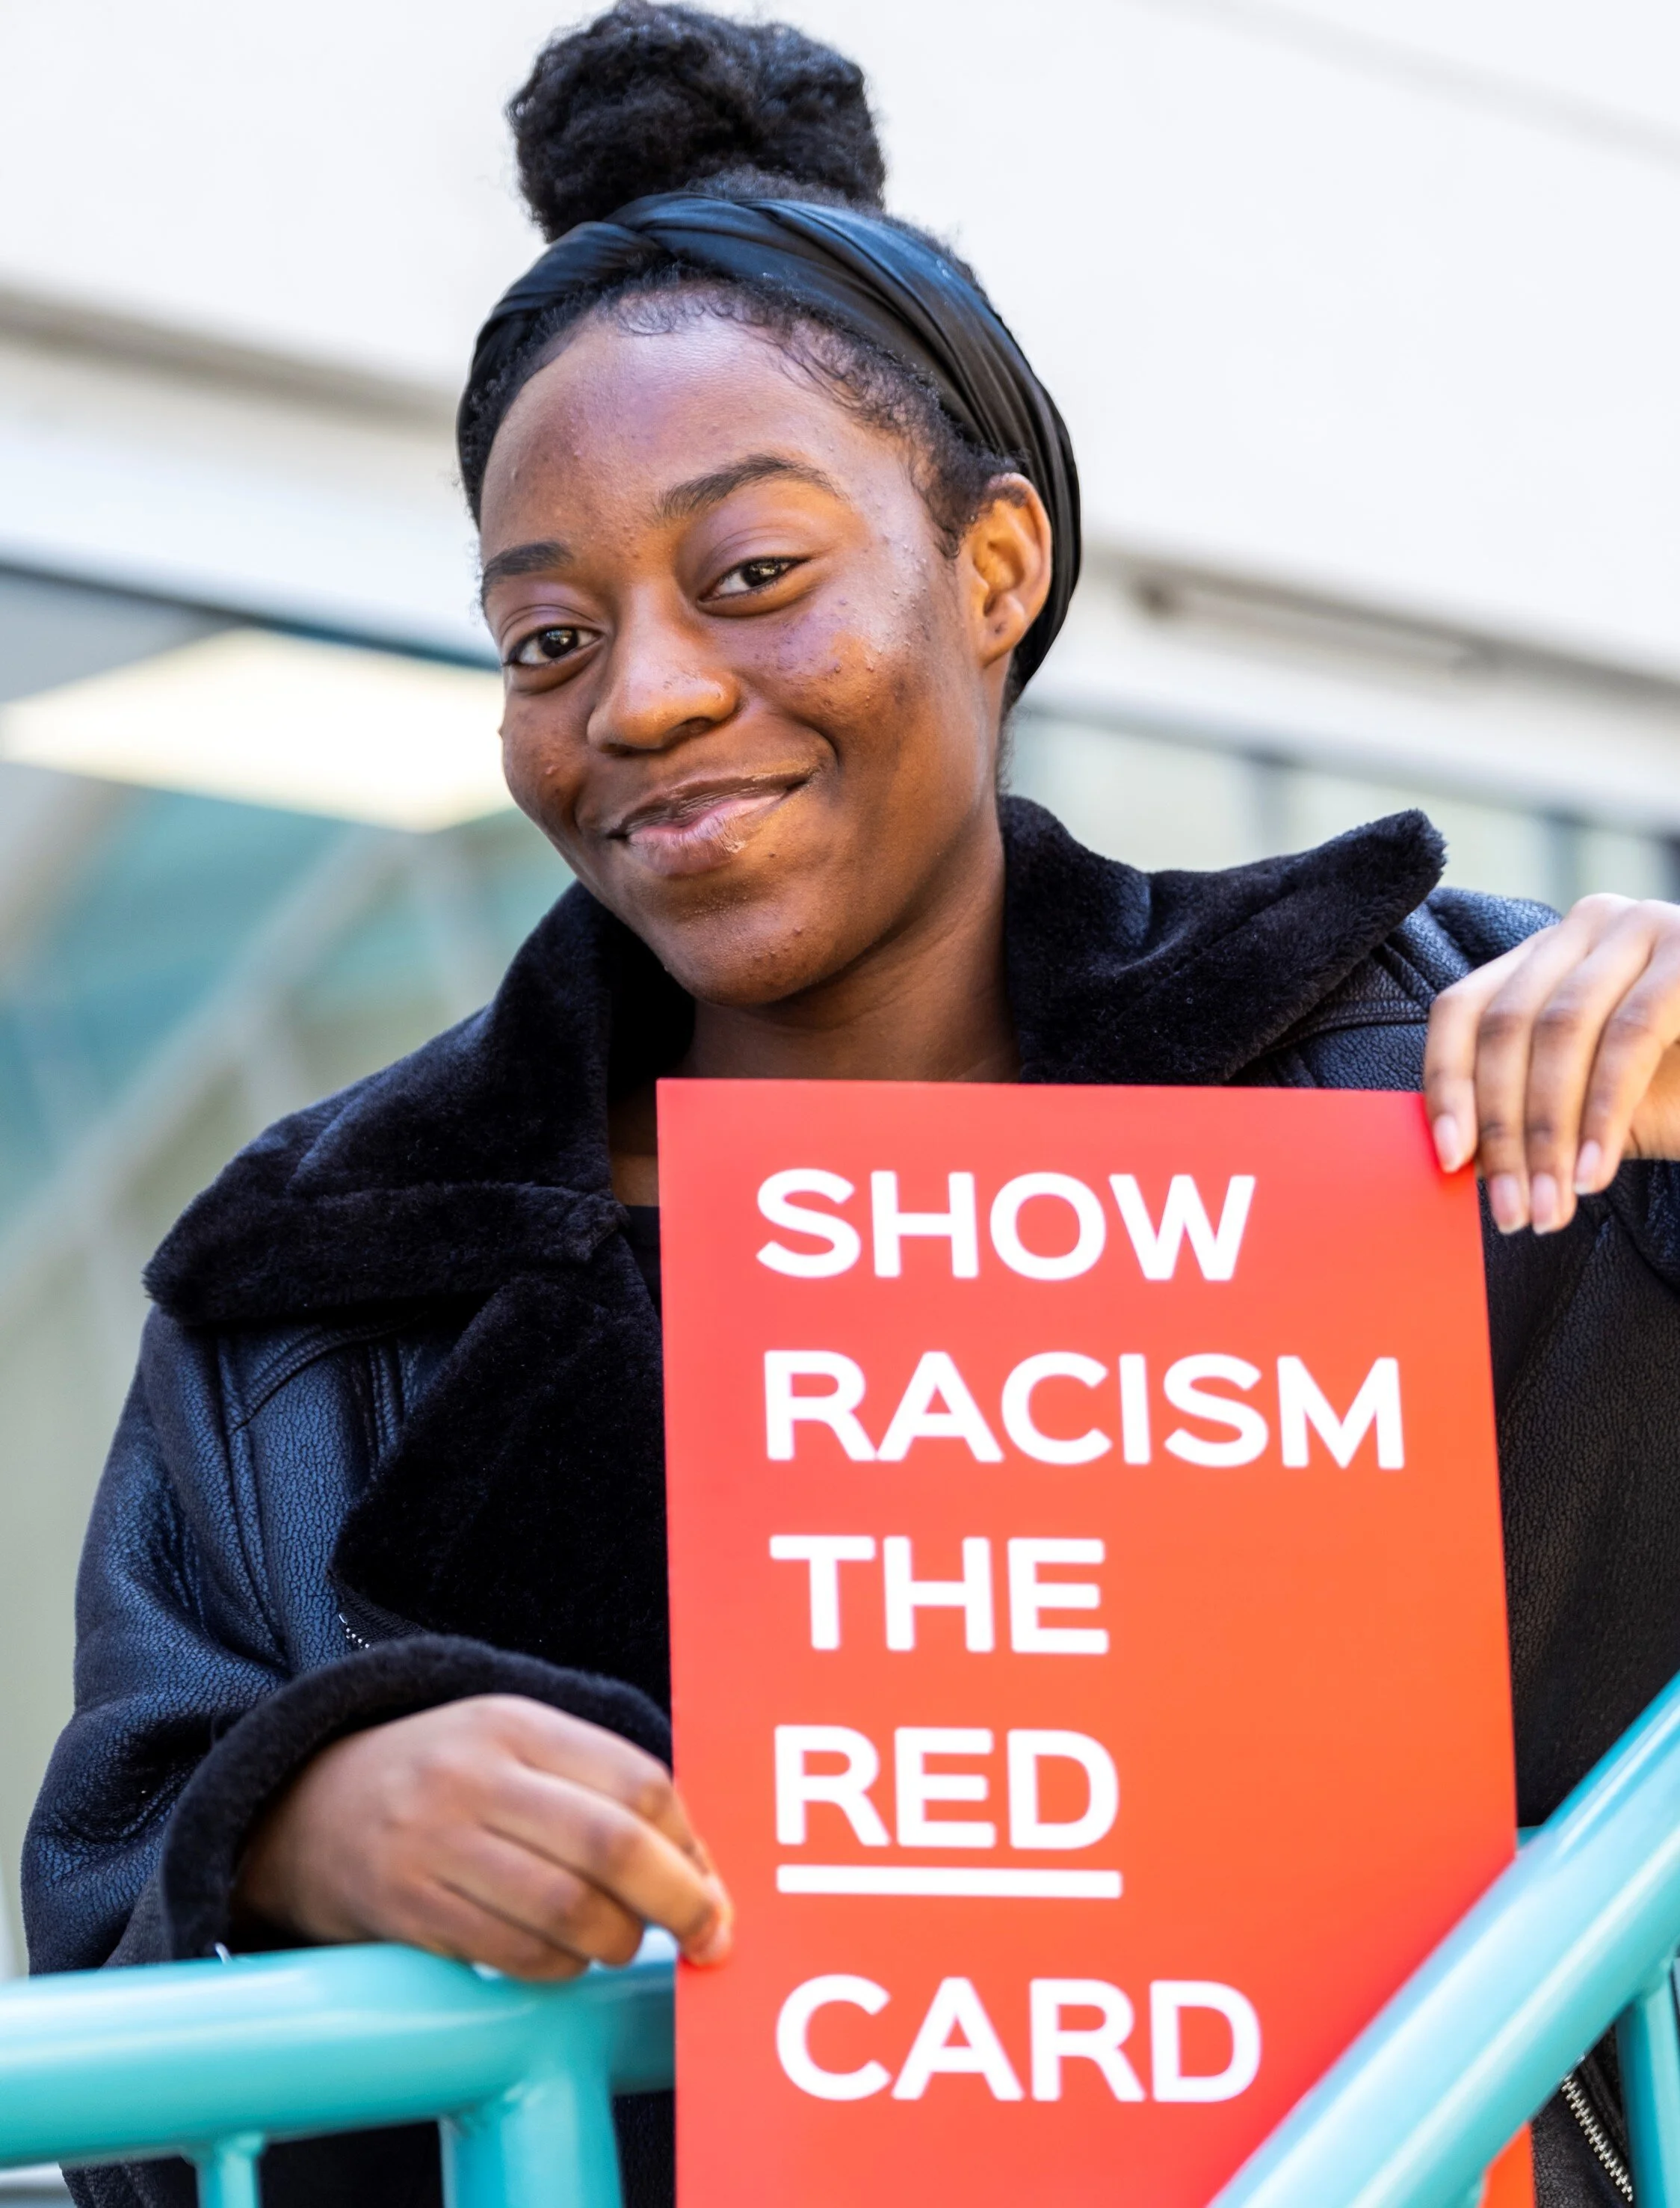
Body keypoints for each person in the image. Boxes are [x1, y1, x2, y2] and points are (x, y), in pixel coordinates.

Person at [24, 7, 1680, 2204]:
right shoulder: (312, 1286)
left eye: (752, 576)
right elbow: (119, 1907)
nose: (648, 694)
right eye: (544, 638)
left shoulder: (1447, 1080)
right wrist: (301, 1823)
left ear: (993, 572)